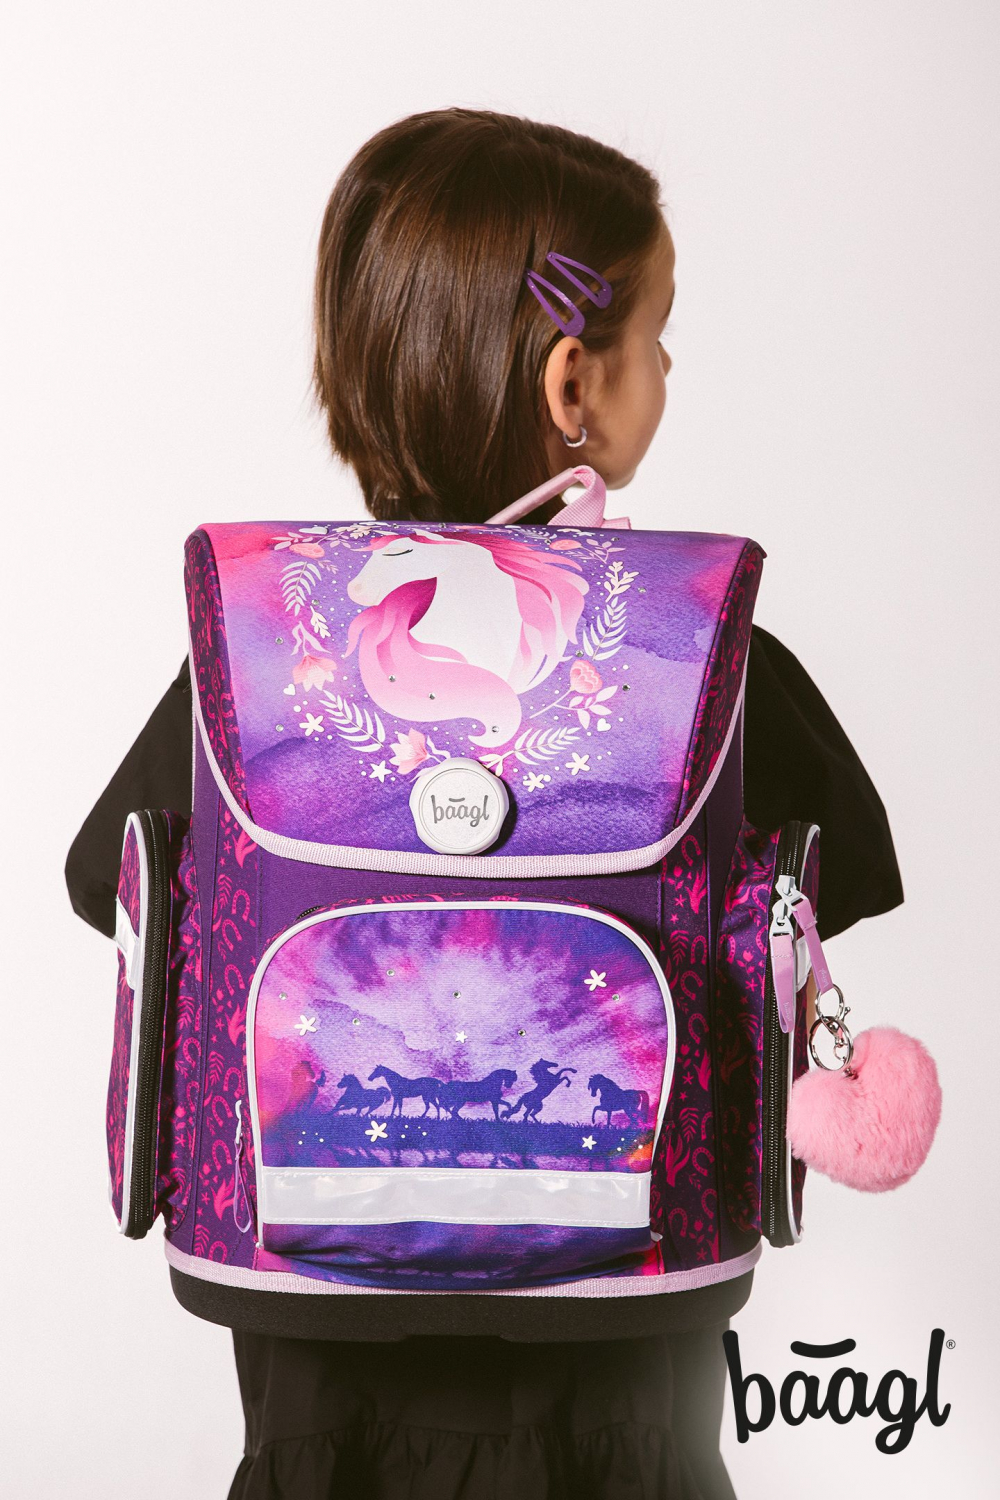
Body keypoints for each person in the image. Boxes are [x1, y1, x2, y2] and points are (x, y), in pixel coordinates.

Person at [66, 109, 903, 1500]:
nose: (669, 366)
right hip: (625, 1358)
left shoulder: (257, 658)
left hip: (318, 1367)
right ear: (576, 383)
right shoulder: (700, 654)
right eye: (658, 335)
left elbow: (105, 874)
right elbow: (848, 873)